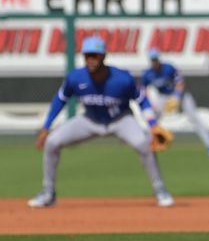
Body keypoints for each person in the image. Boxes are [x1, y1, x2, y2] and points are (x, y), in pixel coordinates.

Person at [28, 37, 175, 209]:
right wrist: (46, 127)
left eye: (95, 55)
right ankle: (48, 193)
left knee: (143, 144)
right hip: (90, 120)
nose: (91, 59)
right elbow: (60, 100)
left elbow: (142, 100)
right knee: (52, 142)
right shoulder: (76, 77)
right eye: (87, 55)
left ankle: (160, 190)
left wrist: (152, 124)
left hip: (121, 120)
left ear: (103, 56)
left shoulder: (122, 78)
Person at [142, 48, 209, 157]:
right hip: (163, 97)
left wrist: (176, 97)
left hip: (181, 95)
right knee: (153, 118)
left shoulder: (168, 68)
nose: (155, 61)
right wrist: (150, 103)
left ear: (159, 59)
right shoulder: (147, 74)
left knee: (194, 117)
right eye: (152, 60)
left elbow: (180, 82)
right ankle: (150, 144)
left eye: (156, 59)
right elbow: (144, 90)